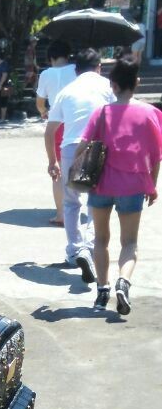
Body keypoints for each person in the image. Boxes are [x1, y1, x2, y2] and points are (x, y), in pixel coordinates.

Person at [73, 57, 161, 314]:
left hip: (101, 185)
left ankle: (102, 291)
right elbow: (156, 156)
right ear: (137, 82)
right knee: (129, 243)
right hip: (133, 186)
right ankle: (124, 281)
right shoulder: (150, 113)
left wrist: (72, 169)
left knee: (101, 239)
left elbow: (82, 146)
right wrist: (152, 185)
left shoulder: (101, 112)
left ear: (112, 85)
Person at [45, 48, 115, 283]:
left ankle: (75, 250)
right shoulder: (107, 87)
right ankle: (90, 247)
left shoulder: (66, 91)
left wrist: (52, 161)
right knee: (97, 201)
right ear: (99, 67)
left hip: (69, 148)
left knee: (71, 201)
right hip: (99, 147)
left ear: (76, 71)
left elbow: (50, 131)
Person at [36, 40, 76, 225]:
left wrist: (44, 112)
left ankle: (61, 214)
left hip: (56, 123)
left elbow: (39, 102)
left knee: (57, 170)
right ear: (68, 55)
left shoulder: (46, 74)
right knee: (80, 167)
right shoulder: (77, 70)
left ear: (51, 57)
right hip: (77, 121)